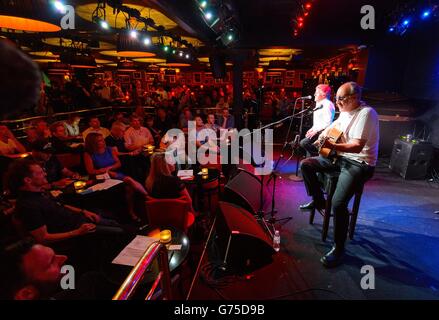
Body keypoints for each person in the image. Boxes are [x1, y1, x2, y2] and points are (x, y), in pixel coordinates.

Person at [299, 82, 379, 268]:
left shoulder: (367, 113)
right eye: (336, 98)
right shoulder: (346, 110)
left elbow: (357, 146)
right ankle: (318, 200)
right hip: (340, 158)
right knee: (306, 164)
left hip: (360, 163)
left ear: (354, 98)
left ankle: (339, 248)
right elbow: (336, 125)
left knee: (338, 203)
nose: (337, 103)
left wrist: (332, 146)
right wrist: (323, 136)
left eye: (341, 99)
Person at [5, 159, 124, 244]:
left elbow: (61, 205)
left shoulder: (40, 192)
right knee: (120, 233)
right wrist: (77, 232)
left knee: (115, 222)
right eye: (40, 173)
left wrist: (84, 211)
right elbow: (43, 238)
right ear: (28, 180)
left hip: (80, 220)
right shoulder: (28, 205)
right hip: (75, 232)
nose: (45, 174)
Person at [84, 133, 147, 222]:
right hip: (101, 177)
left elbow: (118, 163)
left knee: (129, 186)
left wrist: (108, 168)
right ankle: (147, 197)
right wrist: (102, 171)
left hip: (114, 173)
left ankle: (131, 211)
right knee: (128, 180)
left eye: (102, 139)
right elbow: (90, 171)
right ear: (93, 143)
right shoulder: (89, 154)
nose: (103, 142)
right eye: (99, 141)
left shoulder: (109, 149)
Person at [299, 84, 335, 156]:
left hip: (322, 133)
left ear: (324, 94)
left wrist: (316, 131)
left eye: (317, 92)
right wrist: (312, 128)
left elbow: (328, 123)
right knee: (307, 152)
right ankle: (311, 162)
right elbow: (319, 121)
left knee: (304, 143)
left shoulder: (327, 104)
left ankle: (323, 154)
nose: (314, 94)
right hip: (317, 131)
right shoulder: (319, 104)